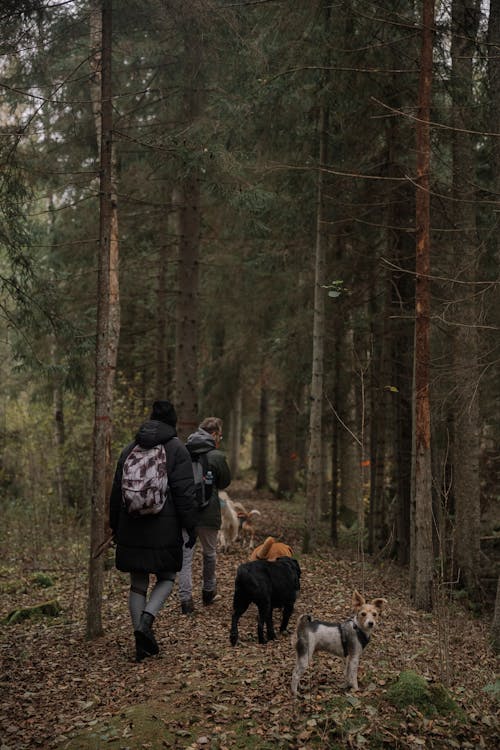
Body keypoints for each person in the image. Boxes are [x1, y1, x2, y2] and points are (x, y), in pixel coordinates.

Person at [109, 400, 197, 662]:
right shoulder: (177, 449)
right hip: (164, 527)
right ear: (173, 421)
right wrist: (190, 527)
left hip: (131, 525)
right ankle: (147, 622)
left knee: (137, 584)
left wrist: (115, 526)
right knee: (168, 577)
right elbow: (185, 493)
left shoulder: (130, 448)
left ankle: (140, 643)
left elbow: (116, 494)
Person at [178, 416, 231, 614]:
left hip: (186, 513)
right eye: (220, 435)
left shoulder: (184, 451)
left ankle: (186, 601)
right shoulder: (217, 456)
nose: (220, 439)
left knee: (185, 558)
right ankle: (208, 592)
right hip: (208, 513)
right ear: (215, 434)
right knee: (209, 554)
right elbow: (225, 482)